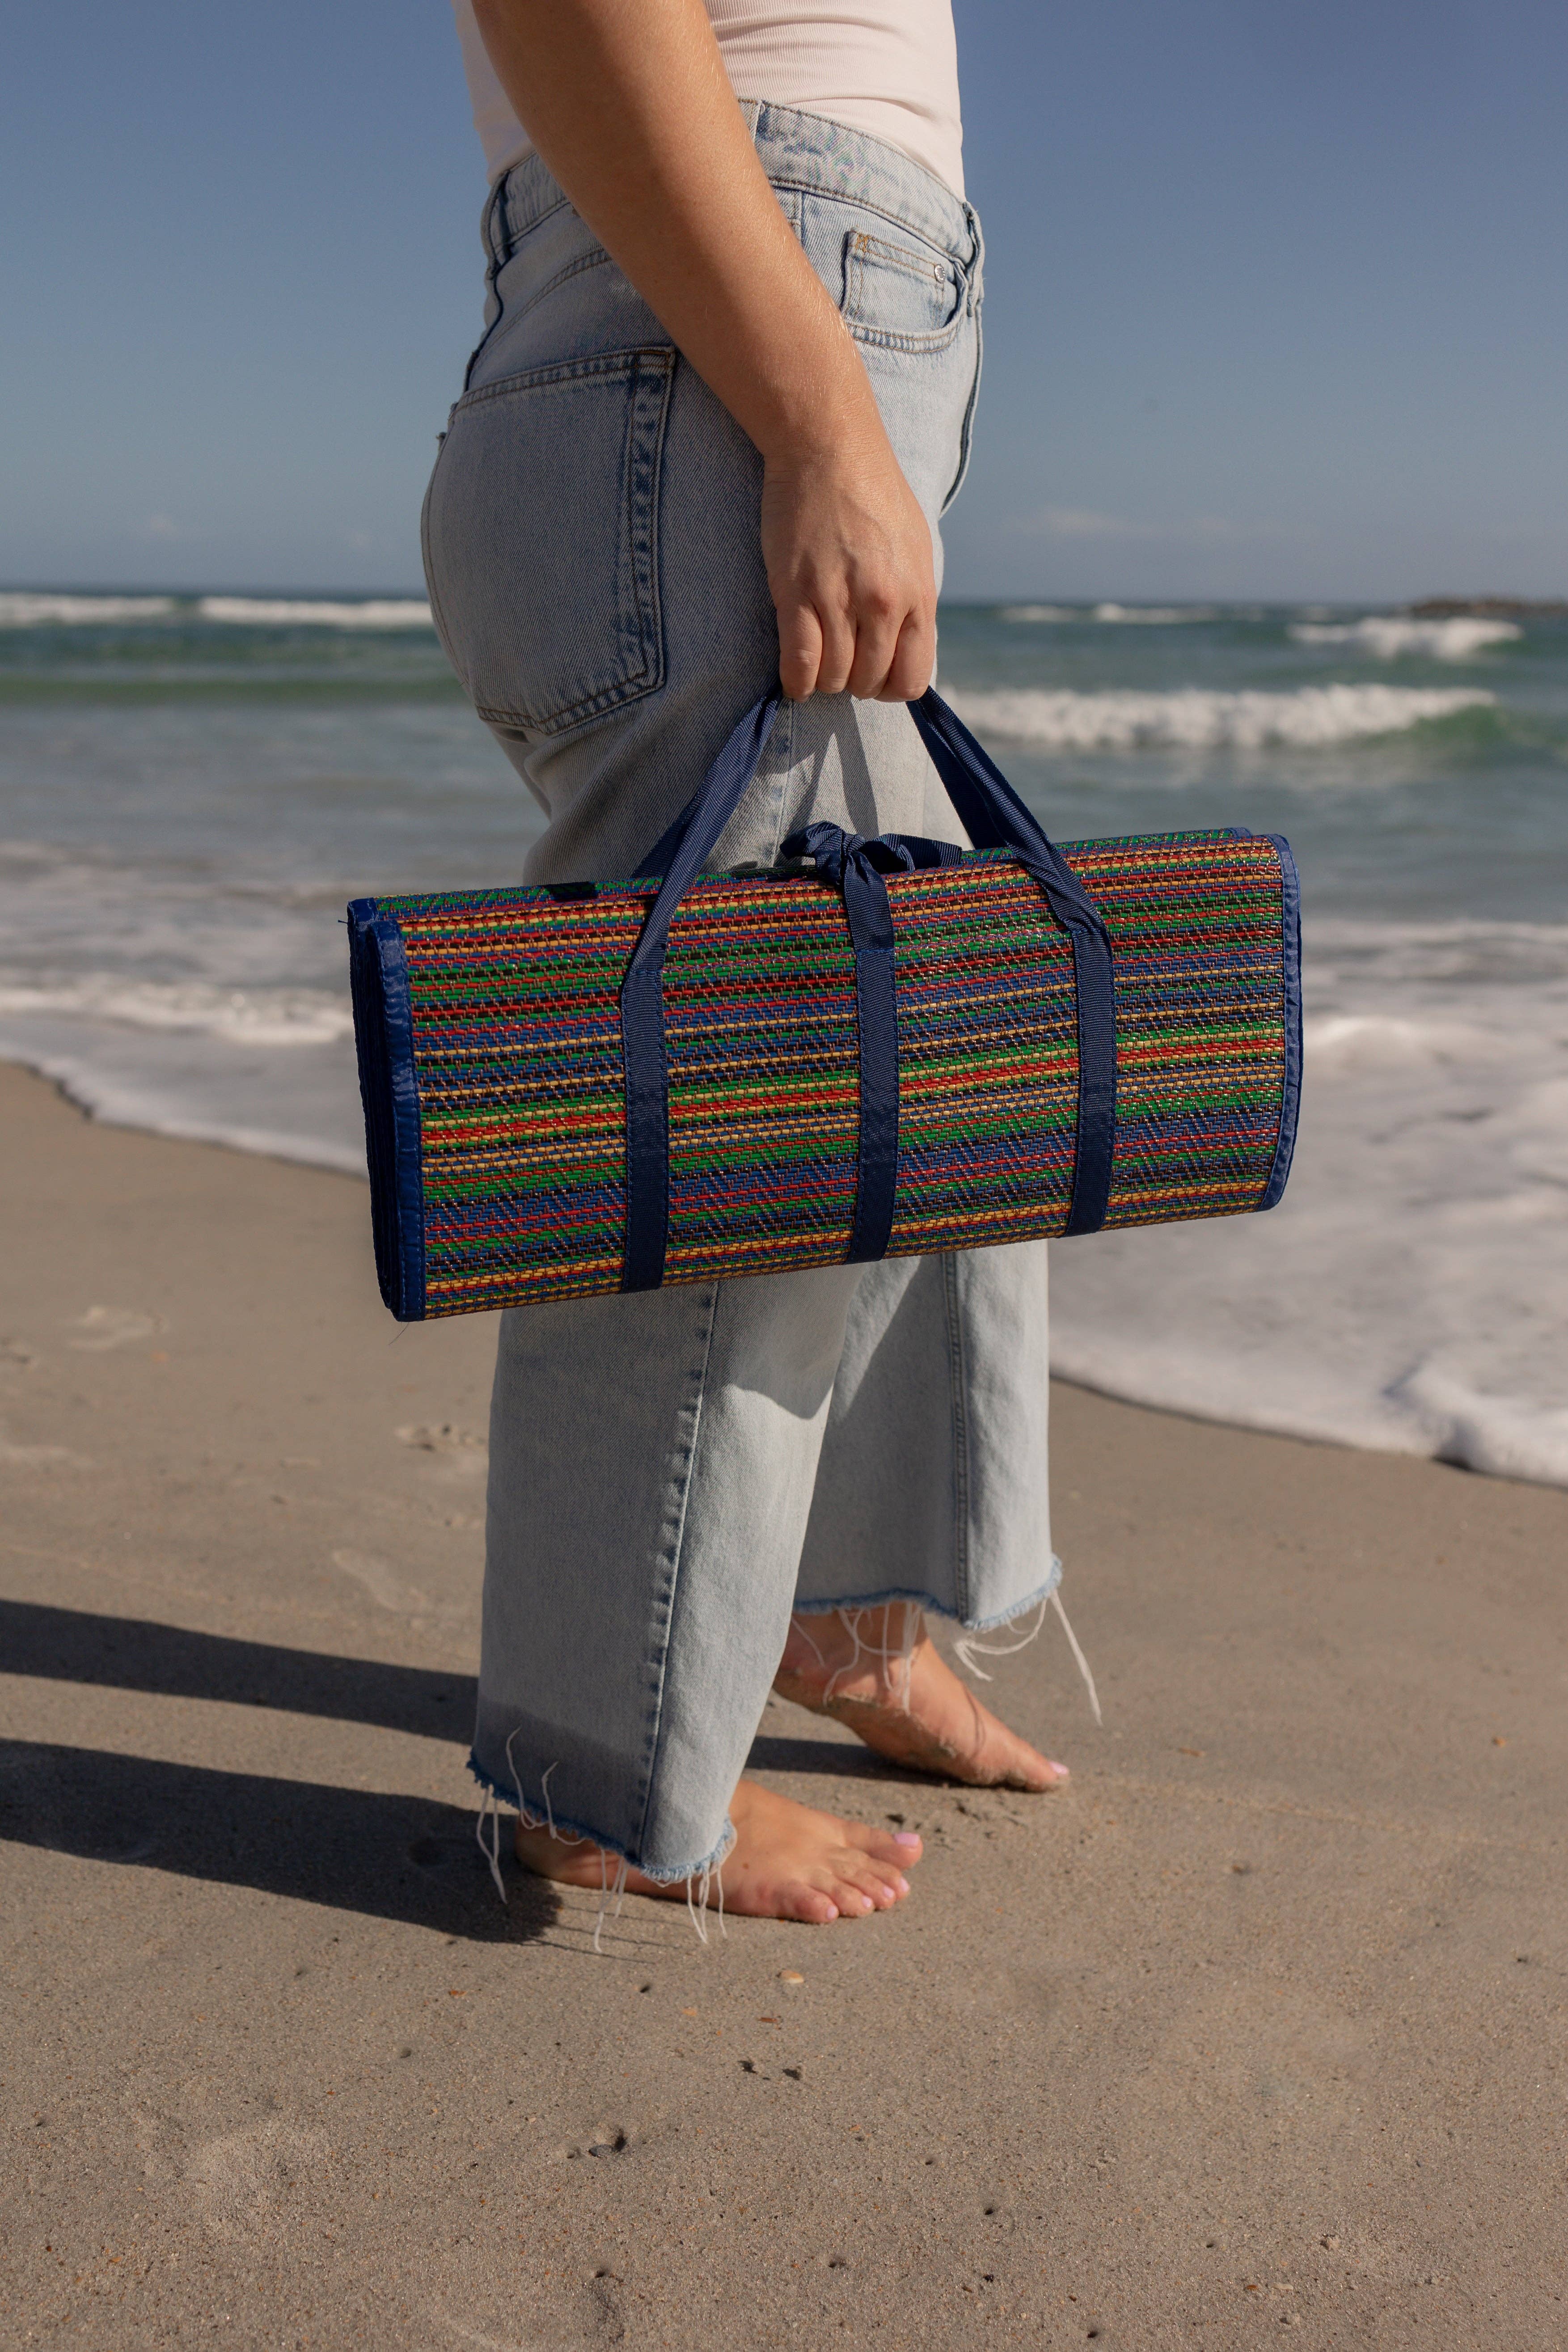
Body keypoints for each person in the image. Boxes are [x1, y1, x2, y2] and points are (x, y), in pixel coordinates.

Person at [427, 0, 1073, 1927]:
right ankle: (609, 1769)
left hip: (719, 329)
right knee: (729, 1114)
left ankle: (835, 1620)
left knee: (905, 1044)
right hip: (724, 350)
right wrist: (813, 416)